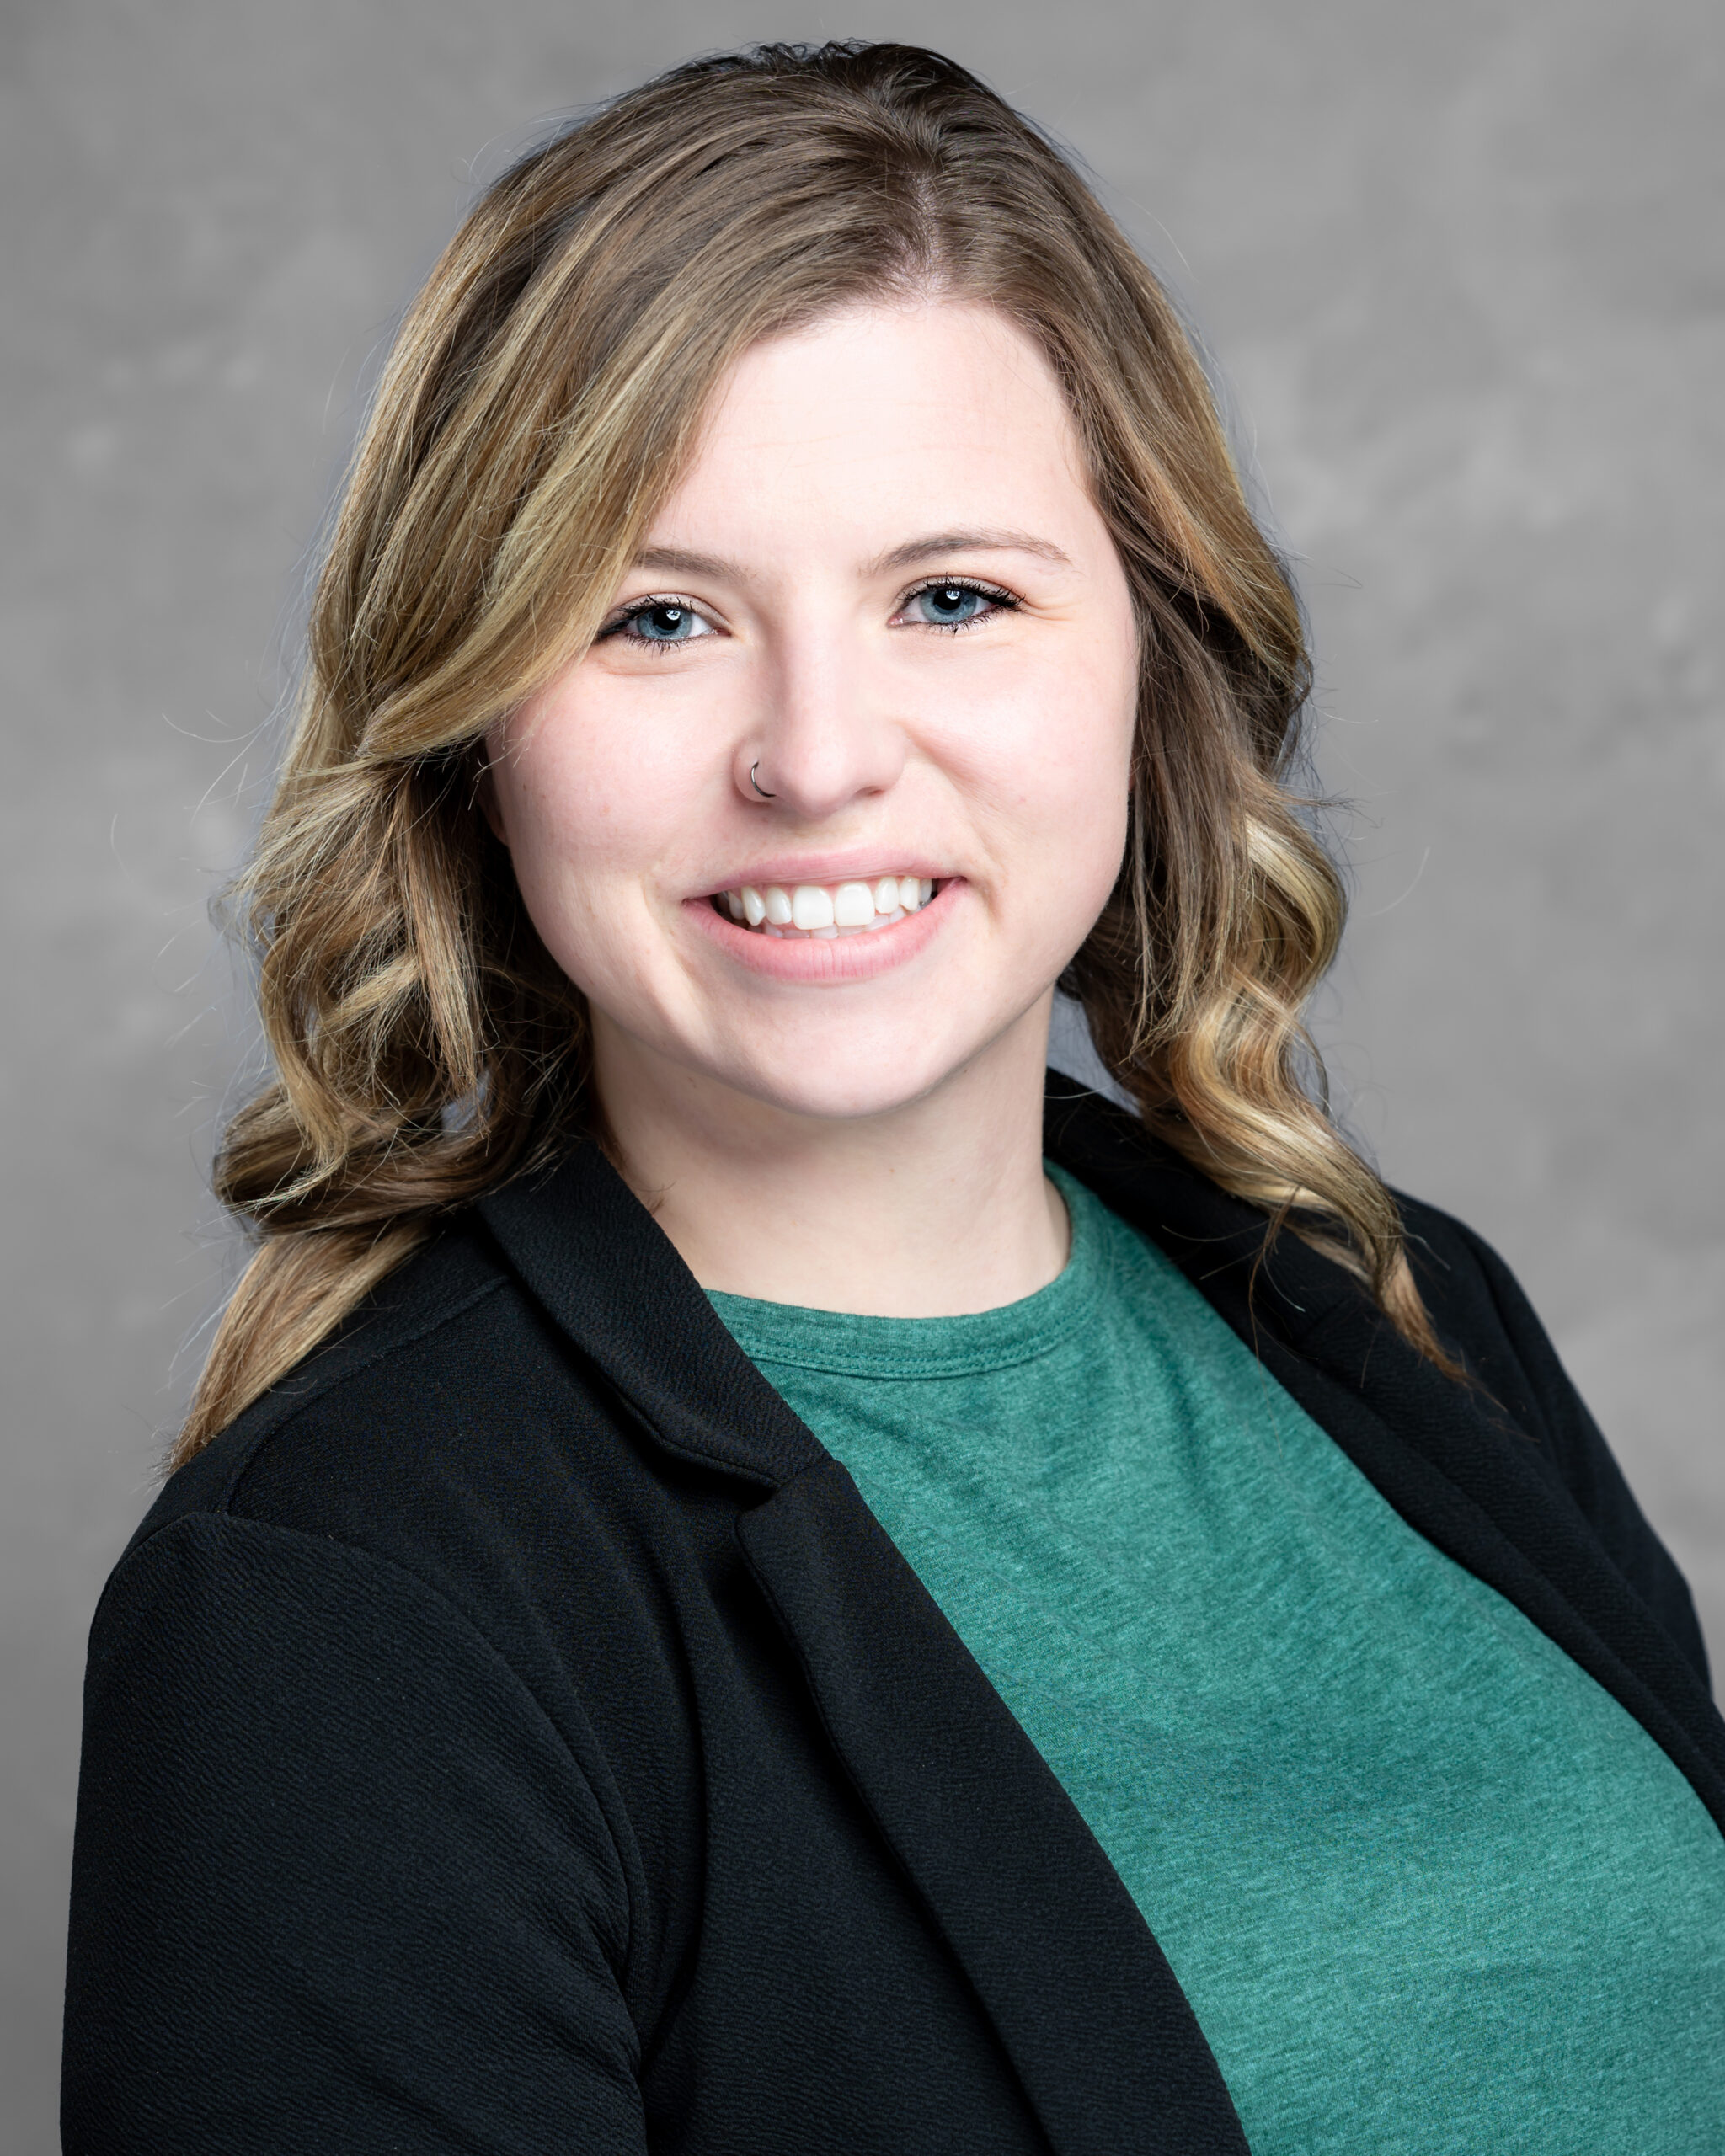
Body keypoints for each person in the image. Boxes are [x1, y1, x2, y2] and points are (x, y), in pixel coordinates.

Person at [61, 40, 1724, 2155]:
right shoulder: (340, 1607)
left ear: (1150, 645)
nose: (818, 752)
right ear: (476, 726)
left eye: (953, 596)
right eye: (655, 617)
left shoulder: (1399, 1319)